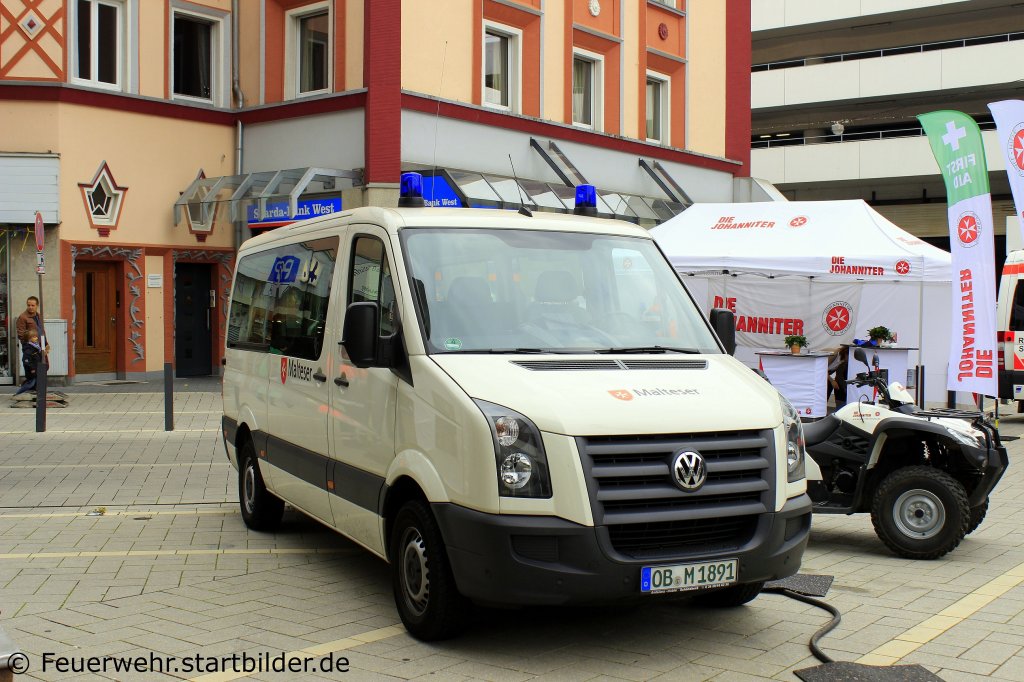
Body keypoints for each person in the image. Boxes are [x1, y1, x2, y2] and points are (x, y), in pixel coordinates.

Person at [15, 331, 42, 396]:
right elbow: (26, 360)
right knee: (31, 383)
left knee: (35, 383)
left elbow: (36, 357)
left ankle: (36, 395)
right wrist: (32, 368)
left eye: (36, 336)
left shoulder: (35, 347)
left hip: (36, 368)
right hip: (31, 370)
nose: (37, 338)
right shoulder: (29, 348)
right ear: (29, 339)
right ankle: (17, 394)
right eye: (34, 337)